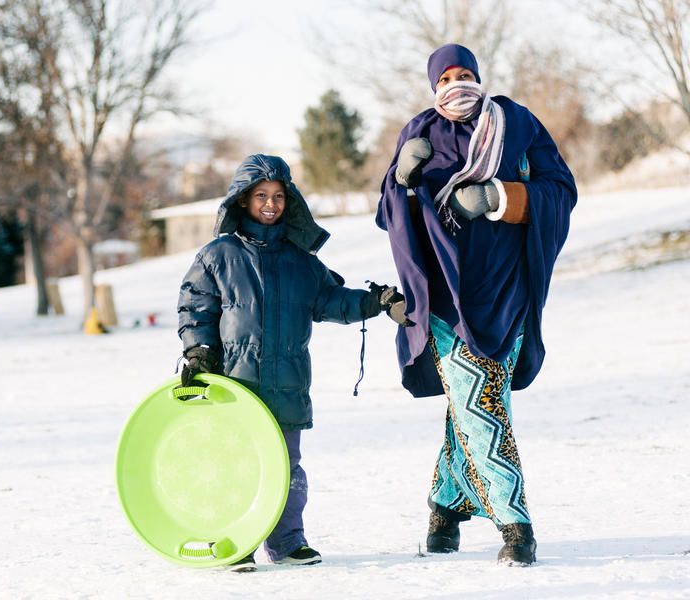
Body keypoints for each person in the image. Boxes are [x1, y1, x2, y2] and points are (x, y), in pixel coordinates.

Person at [376, 43, 577, 566]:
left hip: (507, 291)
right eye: (445, 78)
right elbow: (388, 213)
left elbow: (561, 190)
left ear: (480, 76)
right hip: (444, 299)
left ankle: (444, 511)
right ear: (433, 88)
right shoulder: (419, 131)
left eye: (465, 73)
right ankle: (516, 527)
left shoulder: (516, 123)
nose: (456, 84)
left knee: (472, 405)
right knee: (479, 406)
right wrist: (400, 178)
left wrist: (500, 198)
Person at [178, 153, 408, 572]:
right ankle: (235, 541)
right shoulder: (219, 255)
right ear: (243, 200)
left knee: (287, 469)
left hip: (287, 383)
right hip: (235, 385)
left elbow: (332, 299)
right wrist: (199, 353)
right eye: (261, 195)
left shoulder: (301, 259)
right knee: (233, 466)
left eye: (279, 196)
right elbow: (196, 307)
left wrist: (377, 301)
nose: (271, 204)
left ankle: (286, 542)